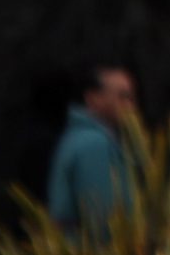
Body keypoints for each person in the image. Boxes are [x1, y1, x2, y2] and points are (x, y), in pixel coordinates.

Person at [45, 61, 136, 230]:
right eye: (122, 97)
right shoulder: (94, 145)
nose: (130, 106)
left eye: (130, 98)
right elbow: (104, 215)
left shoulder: (77, 138)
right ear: (93, 98)